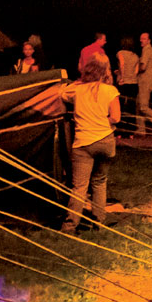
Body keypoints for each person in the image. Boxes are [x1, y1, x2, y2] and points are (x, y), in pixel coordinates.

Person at [57, 54, 121, 233]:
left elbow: (61, 93)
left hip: (83, 143)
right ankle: (99, 223)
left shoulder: (78, 90)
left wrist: (78, 81)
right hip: (105, 141)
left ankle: (69, 226)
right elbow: (116, 117)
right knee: (99, 182)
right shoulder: (110, 91)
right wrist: (102, 122)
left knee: (79, 187)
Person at [115, 35, 140, 113]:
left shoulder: (120, 53)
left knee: (120, 104)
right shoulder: (136, 56)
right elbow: (136, 71)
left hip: (123, 82)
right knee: (131, 106)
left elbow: (122, 64)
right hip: (134, 83)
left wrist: (122, 77)